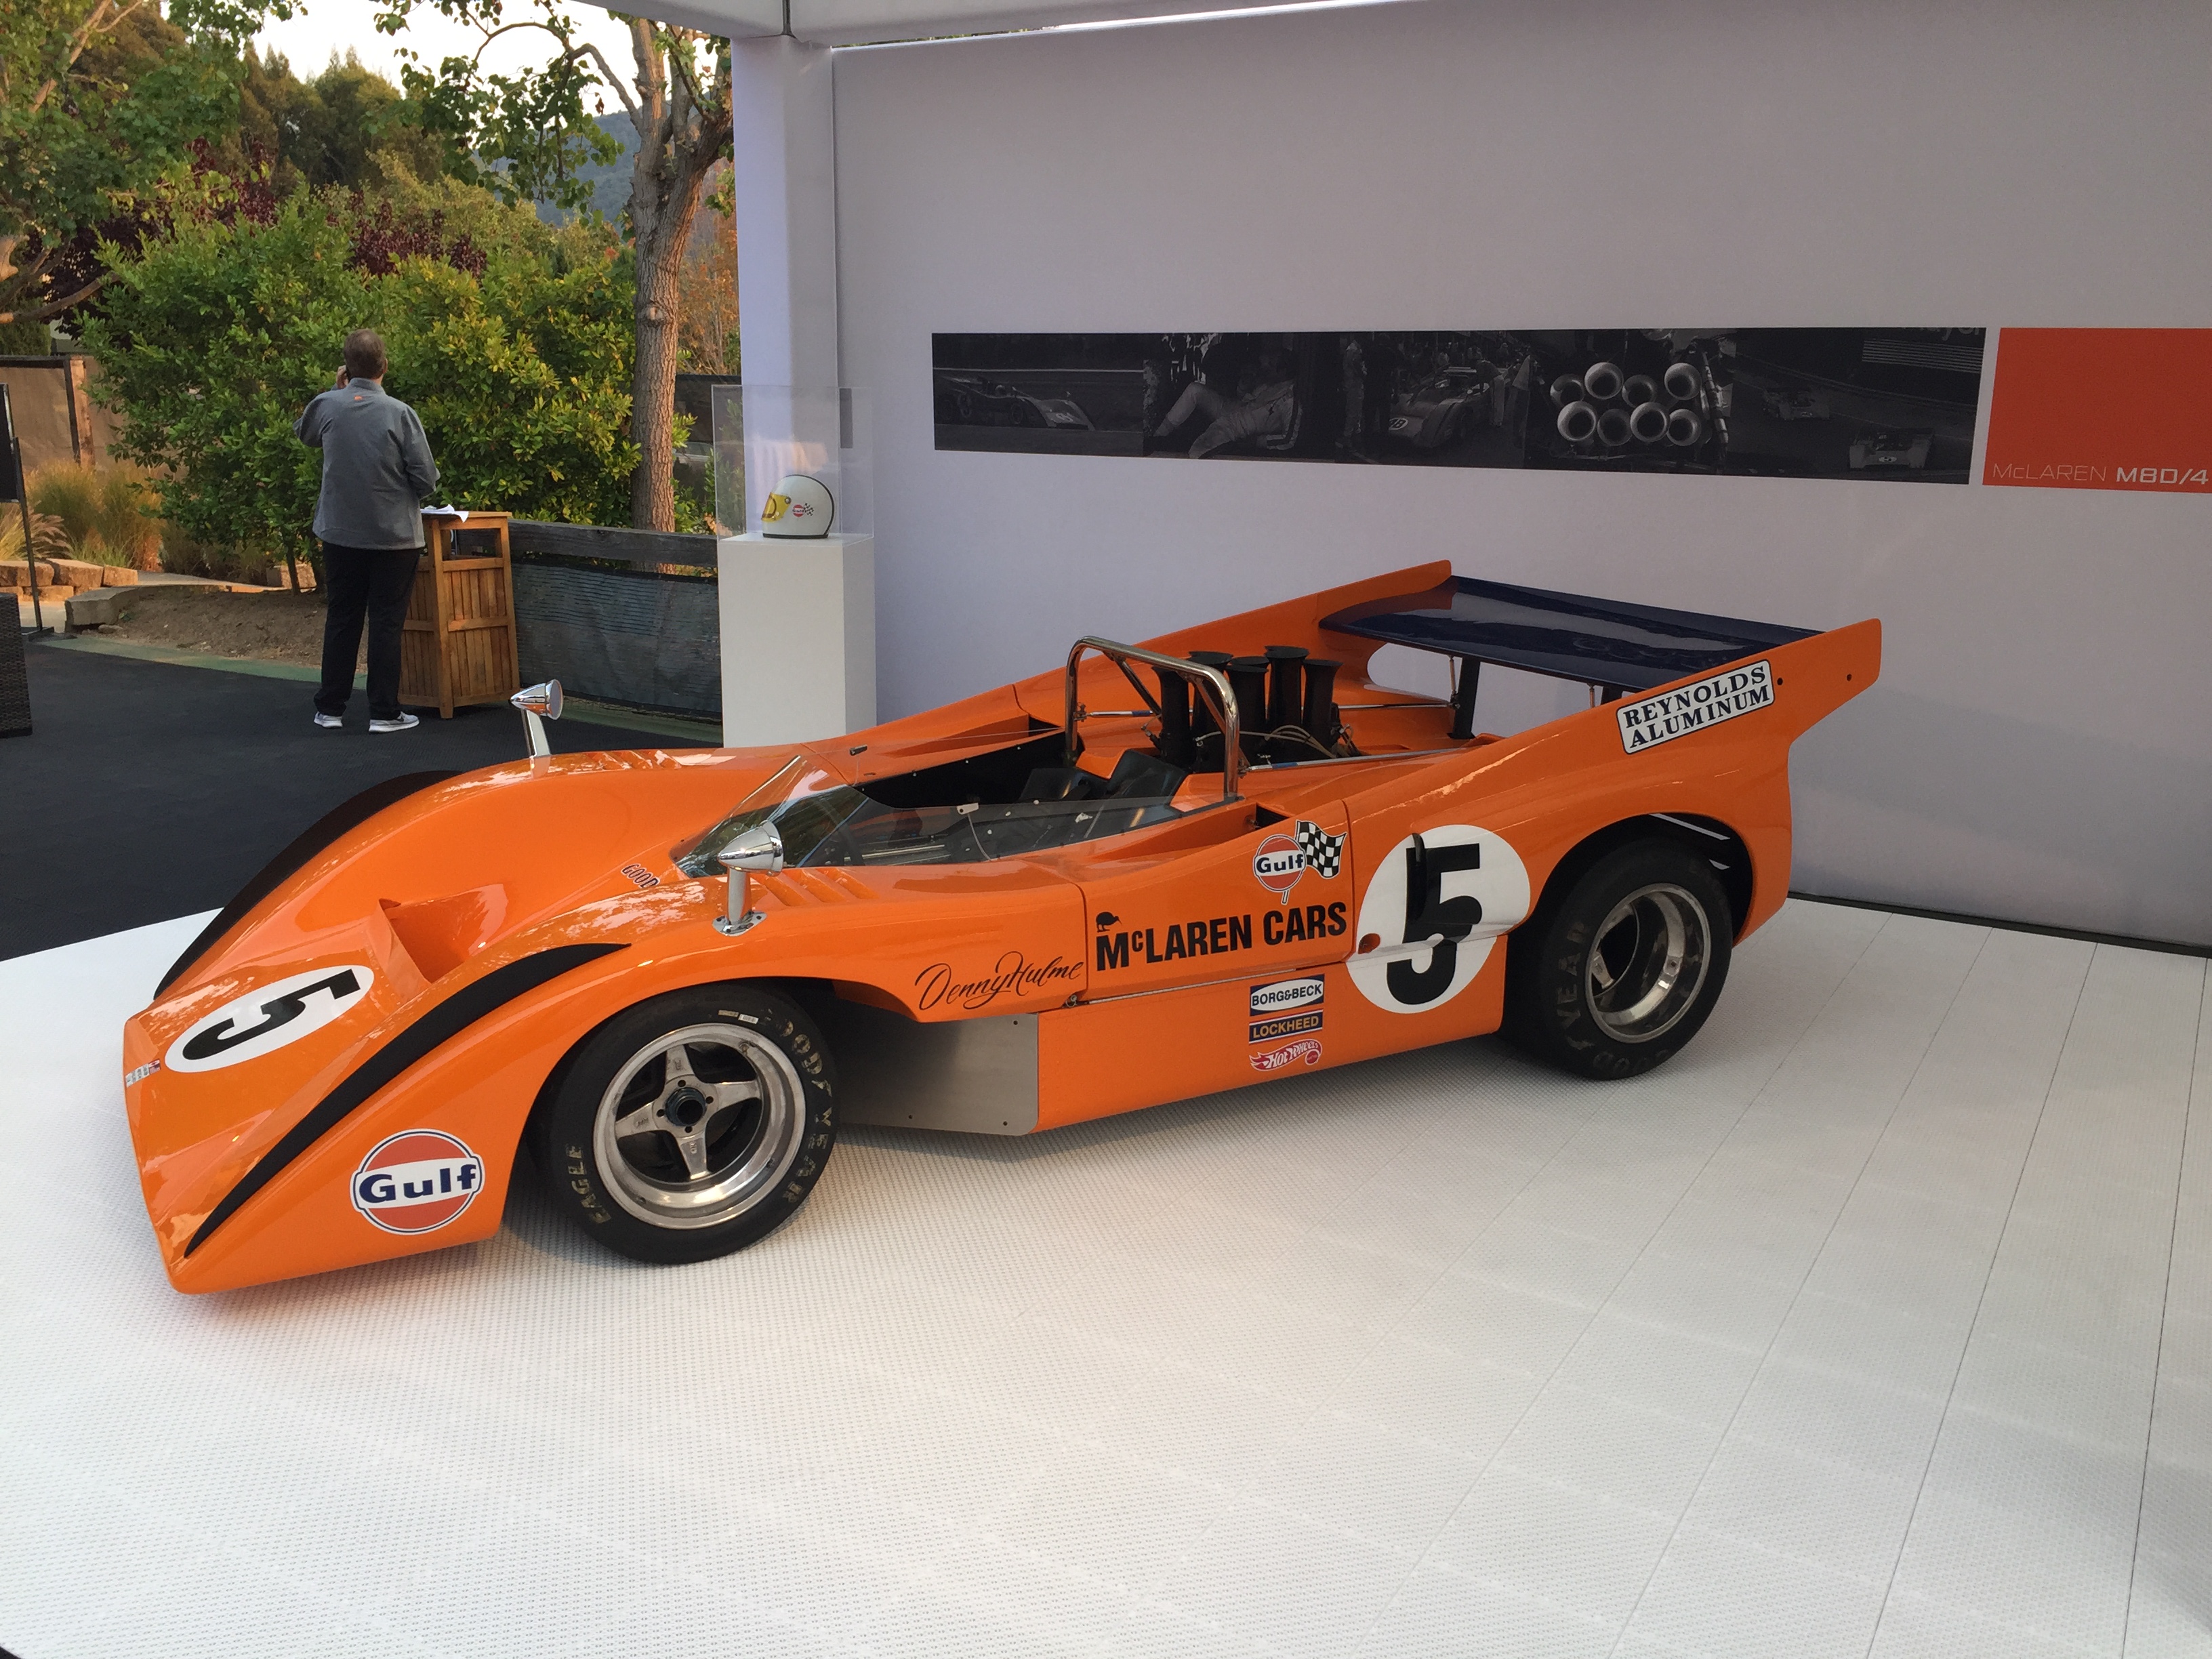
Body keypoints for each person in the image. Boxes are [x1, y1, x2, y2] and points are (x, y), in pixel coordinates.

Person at [295, 329, 438, 733]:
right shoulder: (400, 413)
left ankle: (330, 708)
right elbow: (426, 478)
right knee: (386, 622)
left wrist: (335, 390)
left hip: (341, 533)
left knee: (342, 617)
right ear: (385, 366)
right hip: (394, 537)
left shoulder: (327, 406)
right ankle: (384, 712)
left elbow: (305, 433)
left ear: (346, 367)